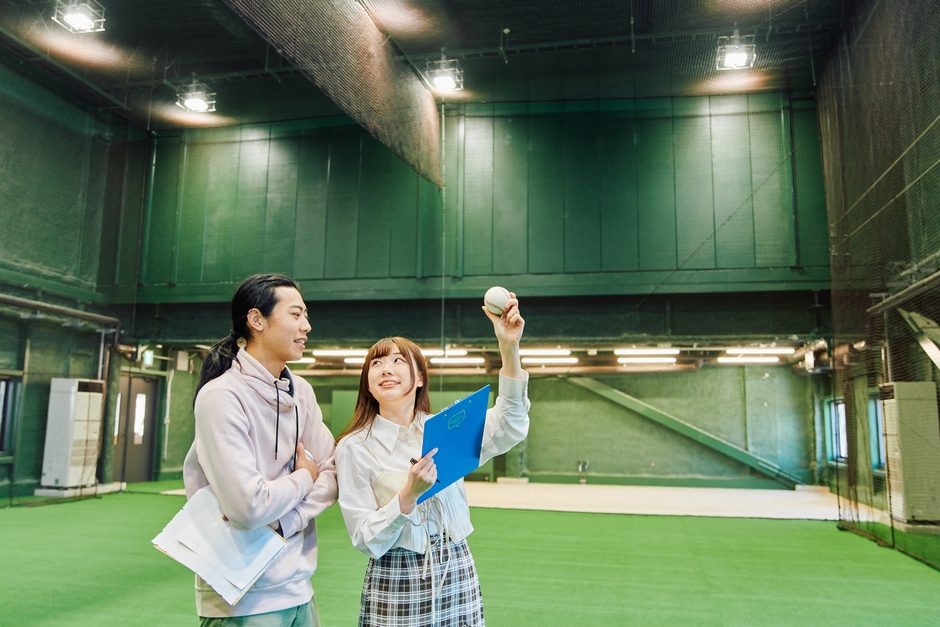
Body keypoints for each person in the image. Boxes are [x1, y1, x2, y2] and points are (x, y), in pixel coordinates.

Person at [335, 292, 529, 627]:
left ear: (420, 378)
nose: (386, 369)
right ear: (367, 382)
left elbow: (510, 424)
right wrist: (407, 496)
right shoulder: (354, 447)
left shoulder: (446, 429)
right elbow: (364, 537)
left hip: (457, 567)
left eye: (398, 360)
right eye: (376, 363)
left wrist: (508, 346)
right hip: (396, 577)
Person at [183, 273, 337, 626]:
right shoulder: (221, 396)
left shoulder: (302, 393)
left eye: (306, 315)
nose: (307, 326)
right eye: (295, 315)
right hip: (240, 600)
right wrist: (304, 477)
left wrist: (284, 520)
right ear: (256, 320)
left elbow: (332, 471)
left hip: (299, 591)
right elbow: (248, 508)